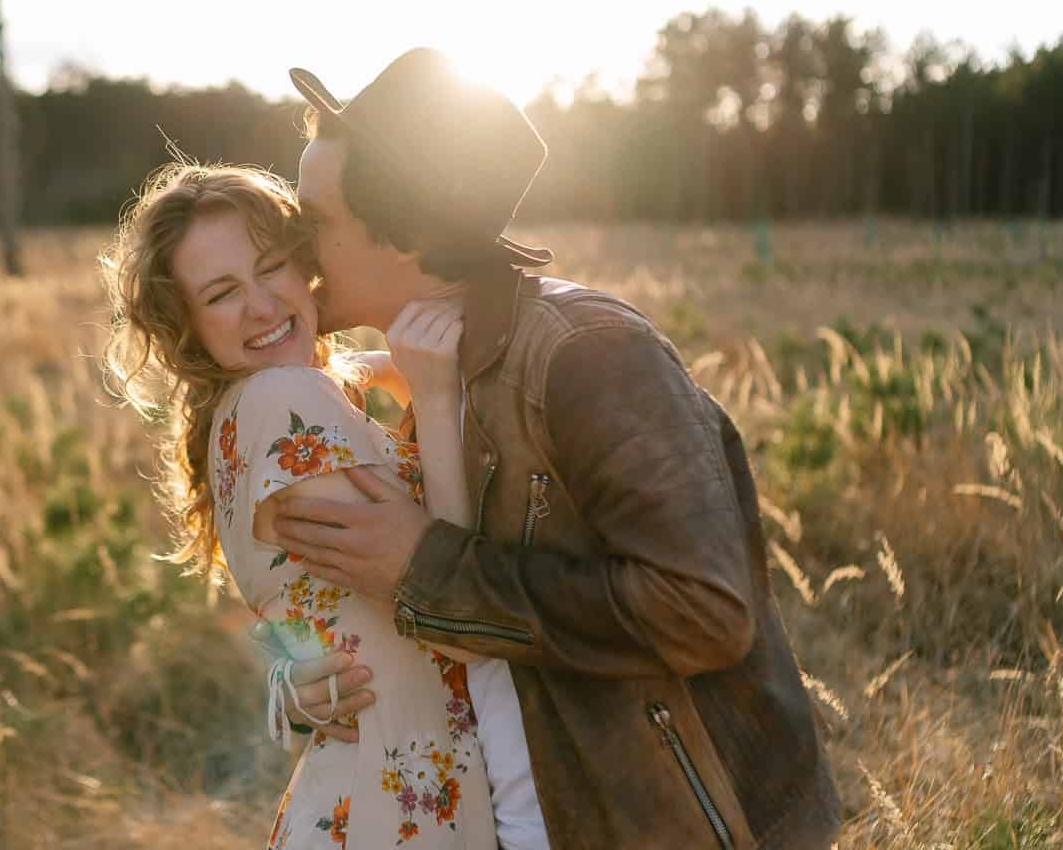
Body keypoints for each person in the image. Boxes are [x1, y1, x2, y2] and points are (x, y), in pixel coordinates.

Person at [268, 48, 842, 848]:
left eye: (315, 222)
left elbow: (705, 613)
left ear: (407, 233)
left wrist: (429, 569)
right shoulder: (401, 378)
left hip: (649, 821)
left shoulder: (590, 357)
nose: (293, 251)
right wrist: (299, 685)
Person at [99, 163, 519, 848]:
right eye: (222, 294)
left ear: (305, 266)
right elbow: (450, 605)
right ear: (188, 326)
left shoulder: (243, 416)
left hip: (377, 794)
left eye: (271, 268)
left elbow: (297, 604)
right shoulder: (287, 399)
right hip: (400, 808)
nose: (261, 306)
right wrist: (436, 398)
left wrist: (292, 679)